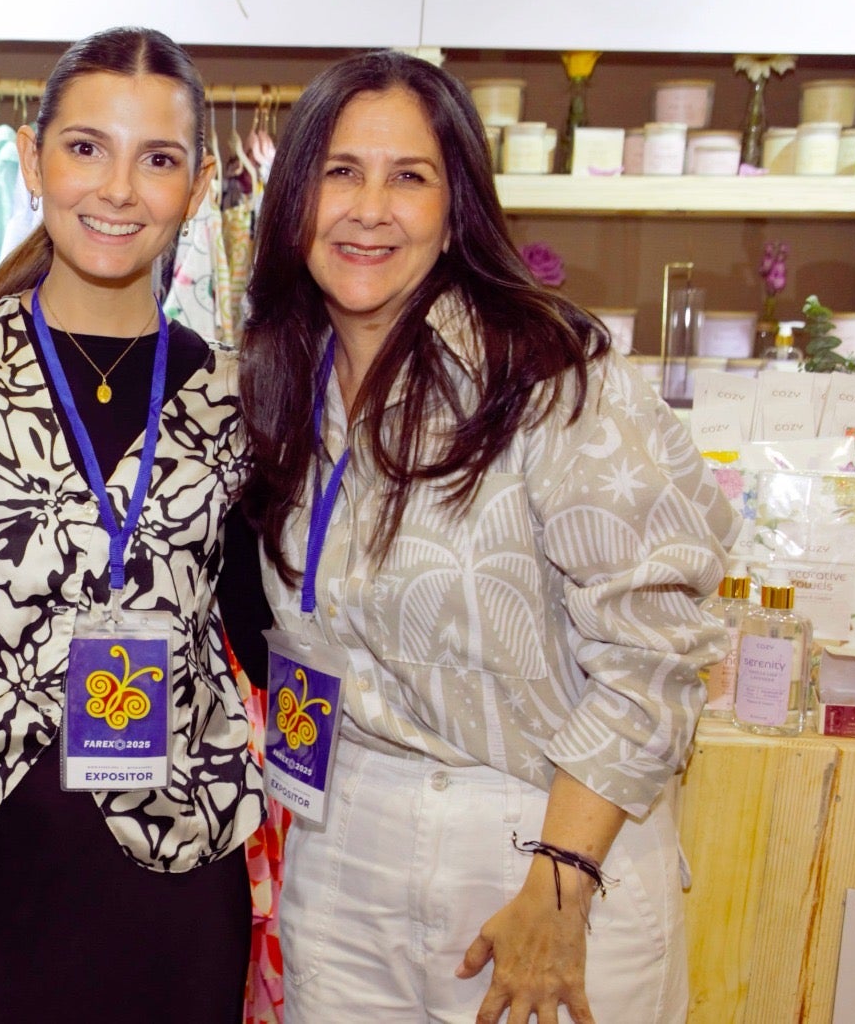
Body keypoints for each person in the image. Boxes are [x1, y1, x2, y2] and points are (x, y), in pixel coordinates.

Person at [238, 51, 738, 1024]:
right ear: (295, 196)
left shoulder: (549, 375)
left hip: (542, 839)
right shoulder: (276, 387)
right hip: (343, 845)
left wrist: (558, 886)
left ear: (456, 203)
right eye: (340, 171)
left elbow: (656, 646)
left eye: (408, 177)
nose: (369, 208)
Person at [0, 27, 265, 1023]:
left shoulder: (237, 400)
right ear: (29, 159)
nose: (117, 189)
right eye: (86, 147)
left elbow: (267, 628)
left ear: (199, 183)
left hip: (171, 876)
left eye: (159, 159)